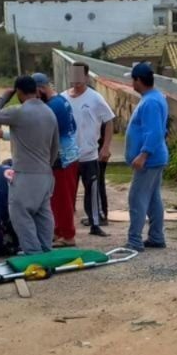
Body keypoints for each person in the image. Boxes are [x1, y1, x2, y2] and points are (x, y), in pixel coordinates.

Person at [0, 75, 59, 254]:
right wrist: (46, 166)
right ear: (36, 90)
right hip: (45, 173)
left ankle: (33, 253)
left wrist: (4, 96)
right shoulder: (50, 113)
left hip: (25, 173)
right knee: (43, 214)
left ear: (19, 92)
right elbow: (55, 147)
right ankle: (45, 249)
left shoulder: (18, 111)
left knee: (19, 213)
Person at [64, 62, 115, 237]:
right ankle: (66, 226)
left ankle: (95, 223)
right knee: (67, 192)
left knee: (91, 191)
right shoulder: (63, 99)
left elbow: (109, 121)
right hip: (69, 156)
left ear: (86, 77)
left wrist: (106, 147)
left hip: (89, 154)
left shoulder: (95, 98)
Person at [125, 62, 169, 252]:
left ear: (139, 80)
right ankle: (156, 236)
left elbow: (155, 132)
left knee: (137, 198)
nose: (131, 84)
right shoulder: (154, 97)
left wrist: (143, 155)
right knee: (152, 198)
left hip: (149, 159)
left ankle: (134, 240)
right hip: (155, 157)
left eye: (133, 80)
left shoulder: (150, 102)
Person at [32, 72, 80, 247]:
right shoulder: (62, 101)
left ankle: (67, 235)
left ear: (41, 89)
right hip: (70, 154)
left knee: (62, 199)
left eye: (35, 93)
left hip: (62, 158)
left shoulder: (52, 107)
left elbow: (41, 133)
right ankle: (59, 231)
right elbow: (73, 125)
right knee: (58, 198)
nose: (35, 98)